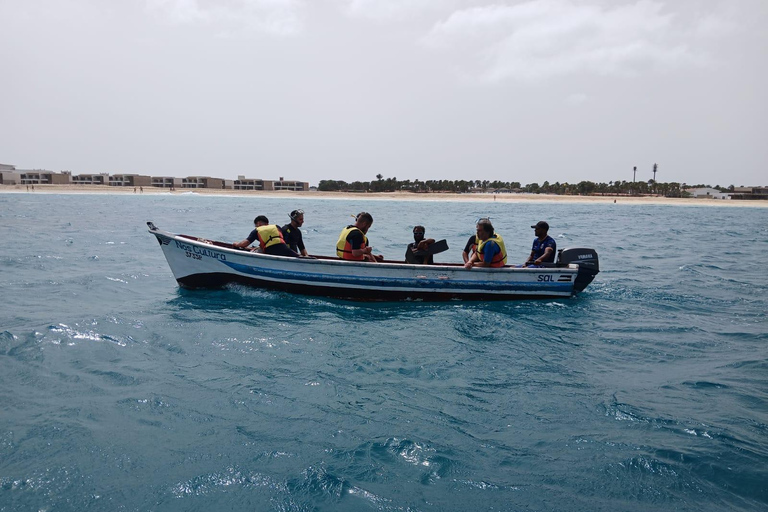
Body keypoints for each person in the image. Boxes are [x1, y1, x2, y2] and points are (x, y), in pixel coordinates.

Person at [234, 215, 299, 257]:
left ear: (258, 223)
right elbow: (276, 241)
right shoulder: (276, 227)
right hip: (284, 249)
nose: (256, 226)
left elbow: (244, 244)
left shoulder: (257, 230)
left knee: (253, 252)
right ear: (267, 223)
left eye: (256, 225)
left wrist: (236, 244)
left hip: (270, 251)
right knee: (299, 256)